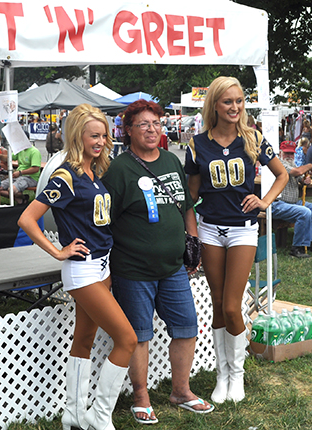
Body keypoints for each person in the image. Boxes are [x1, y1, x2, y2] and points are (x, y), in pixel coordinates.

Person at [18, 104, 136, 430]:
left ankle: (73, 415)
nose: (100, 141)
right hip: (82, 269)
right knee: (126, 339)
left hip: (102, 266)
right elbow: (28, 218)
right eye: (93, 136)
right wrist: (57, 251)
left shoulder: (94, 172)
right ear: (77, 136)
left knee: (83, 339)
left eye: (103, 135)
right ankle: (100, 417)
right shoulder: (66, 174)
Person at [101, 99, 214, 424]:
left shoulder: (170, 160)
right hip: (133, 270)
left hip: (173, 267)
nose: (152, 130)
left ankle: (181, 391)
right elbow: (105, 219)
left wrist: (192, 242)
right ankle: (141, 397)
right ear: (128, 131)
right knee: (139, 334)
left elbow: (186, 206)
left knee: (186, 327)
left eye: (157, 124)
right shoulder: (119, 170)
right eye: (144, 124)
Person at [185, 76, 288, 404]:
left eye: (240, 101)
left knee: (232, 305)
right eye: (228, 101)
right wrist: (189, 230)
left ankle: (238, 374)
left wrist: (264, 200)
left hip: (243, 228)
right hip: (210, 227)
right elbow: (192, 192)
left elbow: (282, 173)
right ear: (214, 104)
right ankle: (222, 374)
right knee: (217, 304)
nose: (235, 107)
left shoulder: (253, 138)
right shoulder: (197, 143)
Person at [272, 142, 312, 258]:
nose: (289, 155)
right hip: (277, 203)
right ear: (280, 153)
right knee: (304, 212)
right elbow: (297, 172)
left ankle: (310, 242)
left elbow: (299, 177)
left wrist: (304, 181)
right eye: (286, 153)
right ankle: (297, 248)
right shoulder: (277, 162)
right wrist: (309, 165)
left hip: (292, 202)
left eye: (292, 153)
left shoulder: (293, 164)